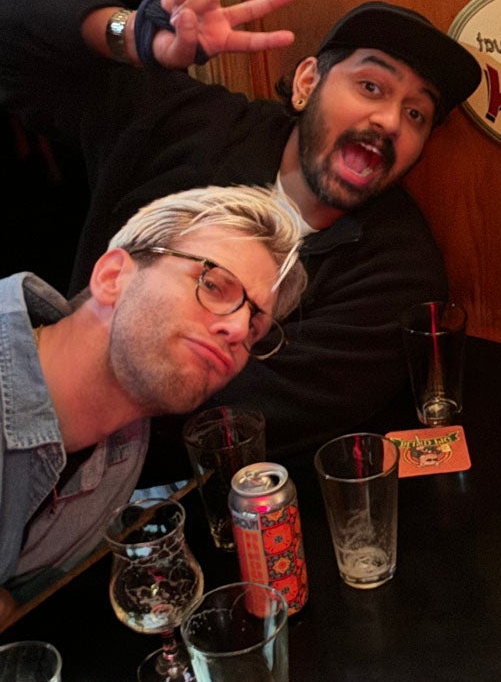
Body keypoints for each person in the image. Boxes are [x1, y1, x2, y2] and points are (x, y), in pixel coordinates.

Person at [0, 0, 481, 466]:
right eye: (371, 86)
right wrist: (130, 35)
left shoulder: (399, 276)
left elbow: (232, 425)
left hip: (154, 492)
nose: (389, 121)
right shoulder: (189, 126)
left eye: (416, 114)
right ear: (306, 82)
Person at [0, 181, 306, 618]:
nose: (238, 330)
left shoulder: (125, 455)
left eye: (255, 329)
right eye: (213, 284)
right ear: (112, 277)